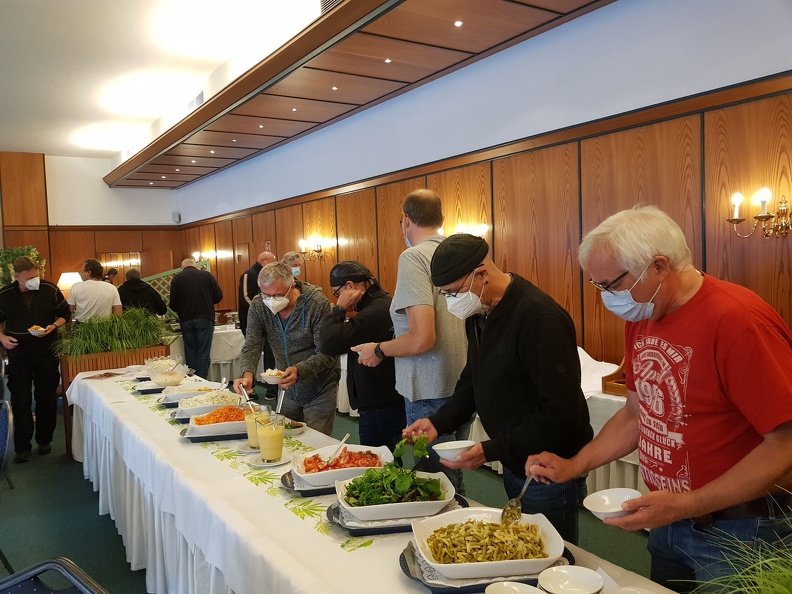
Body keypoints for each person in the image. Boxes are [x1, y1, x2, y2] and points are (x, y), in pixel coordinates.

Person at [528, 206, 792, 591]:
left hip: (739, 529)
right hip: (669, 517)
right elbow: (637, 415)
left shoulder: (737, 320)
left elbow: (785, 443)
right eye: (596, 285)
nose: (605, 296)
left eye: (610, 284)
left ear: (659, 266)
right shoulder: (644, 313)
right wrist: (574, 464)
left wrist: (688, 504)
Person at [402, 234, 593, 543]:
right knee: (522, 542)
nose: (451, 301)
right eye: (444, 294)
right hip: (516, 455)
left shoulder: (539, 317)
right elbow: (473, 380)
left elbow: (560, 412)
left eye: (453, 292)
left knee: (551, 551)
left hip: (550, 464)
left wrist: (490, 451)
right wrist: (439, 422)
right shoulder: (479, 310)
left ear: (481, 274)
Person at [353, 189, 467, 492]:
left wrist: (377, 349)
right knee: (451, 474)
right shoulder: (457, 250)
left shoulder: (415, 257)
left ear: (405, 219)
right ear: (441, 218)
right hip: (461, 383)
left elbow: (421, 338)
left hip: (428, 387)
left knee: (434, 483)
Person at [233, 262, 339, 435]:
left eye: (278, 295)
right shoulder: (259, 305)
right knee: (286, 441)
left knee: (315, 445)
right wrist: (247, 375)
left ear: (292, 286)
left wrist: (299, 370)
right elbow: (252, 345)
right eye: (266, 295)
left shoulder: (316, 303)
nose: (271, 301)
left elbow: (328, 353)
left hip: (320, 387)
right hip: (287, 389)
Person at [317, 261, 405, 451]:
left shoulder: (374, 312)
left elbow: (327, 343)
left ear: (349, 286)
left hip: (380, 403)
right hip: (387, 398)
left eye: (337, 292)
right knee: (388, 457)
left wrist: (339, 308)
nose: (337, 297)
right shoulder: (382, 304)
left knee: (378, 462)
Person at [0, 256, 70, 462]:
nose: (34, 280)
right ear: (17, 277)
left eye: (37, 275)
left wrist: (54, 326)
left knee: (46, 396)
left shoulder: (49, 289)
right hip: (18, 350)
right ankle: (22, 447)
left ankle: (44, 440)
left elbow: (64, 313)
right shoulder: (4, 294)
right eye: (30, 277)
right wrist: (2, 338)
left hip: (45, 348)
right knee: (21, 399)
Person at [169, 258, 223, 379]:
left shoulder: (177, 278)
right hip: (205, 317)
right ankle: (202, 380)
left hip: (186, 320)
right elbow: (219, 296)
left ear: (182, 268)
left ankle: (192, 380)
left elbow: (172, 304)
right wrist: (207, 301)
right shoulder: (206, 275)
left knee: (190, 352)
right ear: (196, 266)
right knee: (203, 352)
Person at [238, 251, 276, 335]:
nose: (273, 266)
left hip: (264, 319)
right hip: (250, 319)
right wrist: (260, 310)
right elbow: (245, 297)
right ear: (263, 261)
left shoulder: (266, 275)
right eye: (272, 263)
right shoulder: (249, 274)